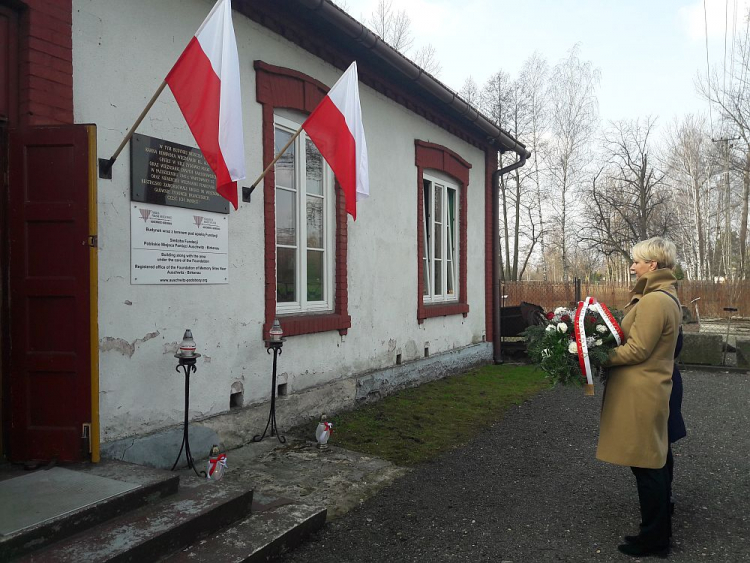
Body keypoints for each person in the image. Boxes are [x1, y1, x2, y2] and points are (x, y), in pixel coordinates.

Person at [597, 237, 682, 558]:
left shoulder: (654, 301)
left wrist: (598, 355)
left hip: (641, 392)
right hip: (648, 389)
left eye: (636, 261)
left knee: (647, 466)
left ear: (653, 265)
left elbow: (637, 349)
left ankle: (655, 538)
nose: (632, 266)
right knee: (652, 461)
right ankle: (656, 531)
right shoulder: (662, 297)